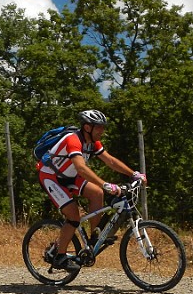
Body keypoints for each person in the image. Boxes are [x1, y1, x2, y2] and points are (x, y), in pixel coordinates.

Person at [37, 109, 146, 270]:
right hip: (51, 177)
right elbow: (81, 168)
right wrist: (105, 184)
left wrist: (134, 174)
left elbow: (110, 160)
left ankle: (94, 238)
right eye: (99, 127)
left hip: (70, 176)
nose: (102, 131)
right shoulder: (73, 140)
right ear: (87, 127)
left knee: (97, 194)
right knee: (74, 216)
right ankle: (59, 256)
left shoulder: (93, 142)